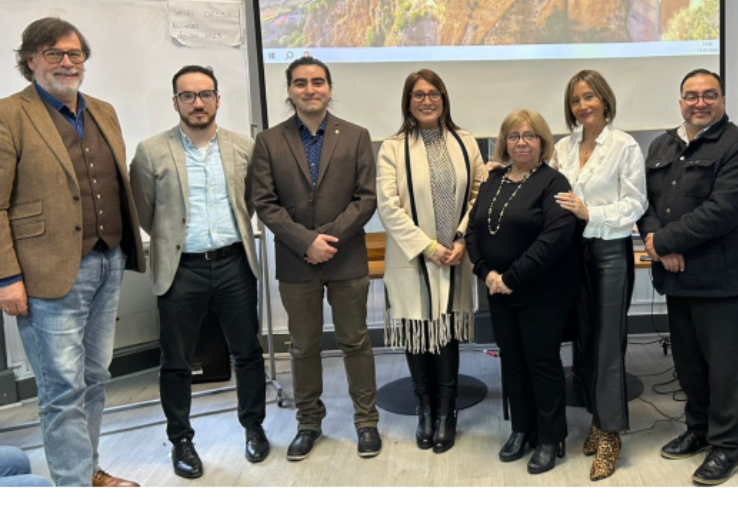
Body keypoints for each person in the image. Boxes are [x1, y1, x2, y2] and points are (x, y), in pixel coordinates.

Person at [0, 18, 146, 488]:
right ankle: (73, 483)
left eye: (74, 53)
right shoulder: (9, 115)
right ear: (31, 61)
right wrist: (6, 277)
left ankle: (88, 471)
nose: (67, 62)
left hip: (107, 262)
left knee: (95, 378)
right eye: (53, 53)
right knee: (62, 389)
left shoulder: (102, 109)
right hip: (46, 272)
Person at [130, 65, 268, 479]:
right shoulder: (151, 150)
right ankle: (181, 440)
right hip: (181, 269)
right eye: (187, 96)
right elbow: (144, 210)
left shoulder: (244, 146)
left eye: (205, 94)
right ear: (176, 102)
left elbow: (252, 202)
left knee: (247, 352)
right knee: (176, 361)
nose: (197, 102)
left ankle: (254, 427)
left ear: (218, 99)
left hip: (233, 264)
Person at [253, 57, 381, 462]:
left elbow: (366, 198)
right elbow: (264, 203)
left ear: (329, 87)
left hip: (346, 258)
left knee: (355, 341)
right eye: (301, 83)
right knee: (304, 346)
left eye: (318, 82)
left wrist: (328, 239)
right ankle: (308, 423)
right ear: (289, 90)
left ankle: (366, 422)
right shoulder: (269, 141)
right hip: (296, 261)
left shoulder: (357, 136)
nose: (310, 89)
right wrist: (306, 242)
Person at [639, 69, 738, 486]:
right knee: (688, 364)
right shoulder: (662, 144)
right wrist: (656, 240)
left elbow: (724, 209)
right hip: (675, 278)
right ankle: (700, 429)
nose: (700, 103)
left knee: (724, 369)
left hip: (718, 278)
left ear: (722, 100)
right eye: (691, 96)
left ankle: (727, 446)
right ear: (680, 102)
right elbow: (647, 202)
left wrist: (667, 243)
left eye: (709, 95)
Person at [376, 69, 485, 454]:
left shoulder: (465, 141)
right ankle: (425, 408)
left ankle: (447, 412)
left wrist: (459, 238)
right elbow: (388, 207)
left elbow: (479, 193)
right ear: (408, 101)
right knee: (418, 334)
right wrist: (427, 247)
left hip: (455, 255)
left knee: (447, 334)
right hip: (414, 257)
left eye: (433, 94)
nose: (426, 100)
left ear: (444, 98)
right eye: (418, 94)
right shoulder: (392, 147)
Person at [466, 110, 580, 476]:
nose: (521, 142)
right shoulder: (493, 180)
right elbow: (473, 231)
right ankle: (521, 428)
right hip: (499, 290)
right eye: (514, 136)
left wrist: (512, 276)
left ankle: (550, 437)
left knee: (542, 363)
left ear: (543, 141)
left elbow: (555, 238)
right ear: (504, 141)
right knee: (512, 361)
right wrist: (487, 273)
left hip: (541, 291)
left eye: (530, 135)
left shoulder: (554, 182)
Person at [551, 70, 647, 481]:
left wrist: (592, 213)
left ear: (605, 100)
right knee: (585, 340)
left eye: (589, 97)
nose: (583, 105)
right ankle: (595, 417)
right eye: (576, 100)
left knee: (608, 344)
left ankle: (610, 434)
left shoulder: (624, 145)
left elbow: (636, 202)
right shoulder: (563, 146)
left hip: (609, 249)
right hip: (572, 252)